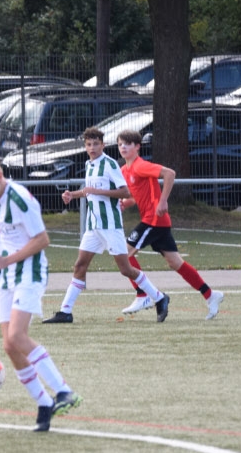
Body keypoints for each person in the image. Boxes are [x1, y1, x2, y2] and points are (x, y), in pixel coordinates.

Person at [0, 152, 82, 432]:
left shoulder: (20, 199)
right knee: (9, 345)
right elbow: (6, 236)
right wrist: (0, 257)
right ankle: (43, 403)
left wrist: (7, 259)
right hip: (7, 276)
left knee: (17, 336)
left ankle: (63, 390)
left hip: (30, 273)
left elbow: (42, 239)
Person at [45, 126, 170, 323]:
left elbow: (125, 192)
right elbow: (90, 190)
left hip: (110, 225)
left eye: (96, 144)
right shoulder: (89, 164)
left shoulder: (110, 164)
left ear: (103, 145)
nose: (92, 148)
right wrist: (72, 195)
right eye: (89, 144)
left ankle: (159, 297)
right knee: (79, 265)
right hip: (93, 226)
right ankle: (65, 312)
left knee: (125, 269)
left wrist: (98, 192)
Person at [116, 129, 224, 320]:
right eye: (120, 144)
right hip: (158, 222)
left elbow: (169, 173)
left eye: (128, 144)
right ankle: (210, 295)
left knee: (124, 253)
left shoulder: (141, 165)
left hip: (153, 220)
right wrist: (126, 203)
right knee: (175, 262)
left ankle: (142, 295)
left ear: (137, 147)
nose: (123, 147)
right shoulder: (125, 170)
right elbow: (137, 195)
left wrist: (163, 200)